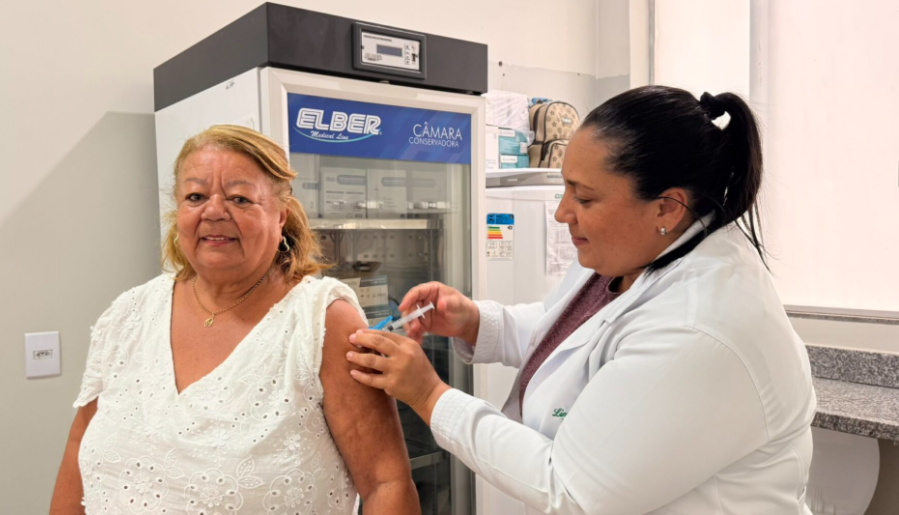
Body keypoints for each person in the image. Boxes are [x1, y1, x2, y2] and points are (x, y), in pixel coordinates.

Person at [346, 86, 817, 514]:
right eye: (565, 188)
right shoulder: (633, 252)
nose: (561, 212)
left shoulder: (701, 327)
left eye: (584, 198)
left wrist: (429, 395)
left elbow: (570, 489)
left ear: (667, 207)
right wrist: (475, 322)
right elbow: (569, 336)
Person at [50, 125, 419, 514]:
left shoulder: (323, 323)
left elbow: (386, 484)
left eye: (240, 199)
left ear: (281, 216)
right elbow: (78, 447)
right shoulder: (128, 314)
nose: (213, 211)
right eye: (195, 197)